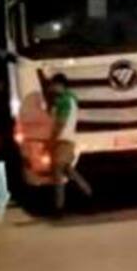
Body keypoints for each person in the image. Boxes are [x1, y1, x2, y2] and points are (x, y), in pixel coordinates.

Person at [47, 74, 92, 215]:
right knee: (68, 170)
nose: (52, 88)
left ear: (60, 85)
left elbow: (60, 122)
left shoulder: (64, 101)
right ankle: (87, 193)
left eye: (53, 85)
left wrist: (52, 140)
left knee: (58, 173)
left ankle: (58, 207)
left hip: (62, 140)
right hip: (69, 138)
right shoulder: (71, 99)